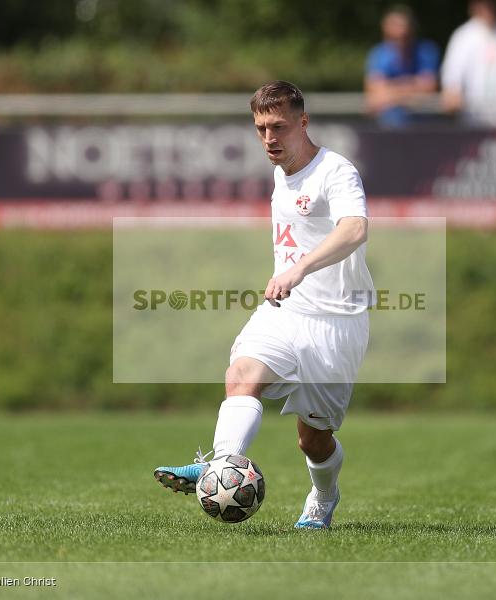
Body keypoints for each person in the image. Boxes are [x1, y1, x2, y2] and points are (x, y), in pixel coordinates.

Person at [153, 81, 374, 530]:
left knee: (313, 440)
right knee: (241, 375)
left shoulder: (337, 171)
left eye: (278, 126)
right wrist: (291, 278)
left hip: (336, 321)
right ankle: (221, 463)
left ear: (303, 122)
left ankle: (323, 496)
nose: (269, 138)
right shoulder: (280, 172)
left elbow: (354, 230)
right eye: (260, 128)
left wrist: (300, 269)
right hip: (285, 311)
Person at [440, 0, 496, 127]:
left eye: (492, 4)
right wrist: (452, 90)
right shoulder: (462, 36)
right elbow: (452, 73)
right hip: (471, 119)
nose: (488, 10)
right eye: (484, 5)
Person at [365, 5, 440, 128]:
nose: (399, 43)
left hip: (424, 127)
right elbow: (374, 94)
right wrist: (412, 88)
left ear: (412, 32)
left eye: (404, 37)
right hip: (387, 127)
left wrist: (390, 92)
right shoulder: (378, 54)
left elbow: (429, 87)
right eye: (393, 38)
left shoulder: (426, 51)